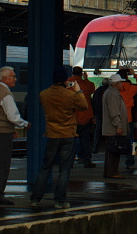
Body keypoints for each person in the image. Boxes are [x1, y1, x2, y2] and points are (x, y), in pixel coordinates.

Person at [30, 66, 88, 209]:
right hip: (68, 134)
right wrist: (78, 90)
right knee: (64, 169)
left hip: (52, 134)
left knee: (46, 168)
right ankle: (59, 201)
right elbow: (84, 106)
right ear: (65, 80)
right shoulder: (71, 95)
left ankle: (35, 199)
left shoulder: (44, 94)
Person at [0, 66, 30, 206]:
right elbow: (13, 116)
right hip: (2, 133)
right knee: (3, 165)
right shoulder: (6, 94)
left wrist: (11, 128)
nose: (15, 79)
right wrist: (24, 124)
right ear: (5, 78)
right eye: (13, 77)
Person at [116, 68, 137, 171]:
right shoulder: (132, 88)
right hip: (129, 118)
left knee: (115, 142)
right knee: (131, 140)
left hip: (116, 119)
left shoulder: (114, 89)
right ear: (127, 76)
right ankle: (131, 162)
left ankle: (114, 165)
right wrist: (135, 74)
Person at [102, 73, 130, 178]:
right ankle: (112, 172)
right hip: (112, 128)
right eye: (120, 82)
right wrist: (118, 126)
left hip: (111, 128)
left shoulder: (111, 93)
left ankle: (111, 171)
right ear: (117, 83)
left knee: (112, 150)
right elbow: (114, 112)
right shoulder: (112, 94)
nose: (122, 84)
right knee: (113, 151)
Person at [71, 66, 97, 167]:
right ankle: (87, 160)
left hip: (72, 117)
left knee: (71, 141)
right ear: (81, 73)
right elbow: (92, 88)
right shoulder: (86, 84)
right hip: (85, 116)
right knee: (85, 140)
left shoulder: (68, 83)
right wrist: (85, 78)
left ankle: (70, 161)